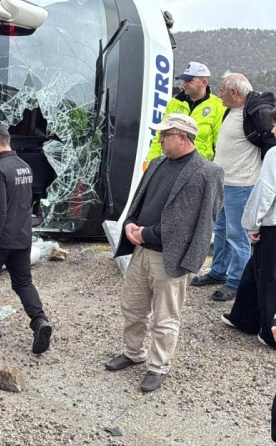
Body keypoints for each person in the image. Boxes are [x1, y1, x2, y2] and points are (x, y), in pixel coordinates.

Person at [106, 114, 223, 392]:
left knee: (165, 317)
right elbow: (140, 198)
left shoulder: (208, 172)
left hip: (170, 257)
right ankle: (134, 354)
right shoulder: (158, 163)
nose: (159, 140)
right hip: (141, 251)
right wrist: (131, 223)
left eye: (165, 135)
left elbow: (204, 220)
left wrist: (147, 233)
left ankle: (158, 367)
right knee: (132, 308)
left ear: (182, 137)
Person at [0, 124, 52, 354]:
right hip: (22, 238)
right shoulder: (25, 167)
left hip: (0, 239)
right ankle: (39, 321)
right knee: (23, 282)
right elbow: (26, 204)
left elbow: (0, 210)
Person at [191, 74, 270, 301]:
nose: (219, 95)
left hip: (241, 185)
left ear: (234, 93)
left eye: (223, 91)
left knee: (238, 236)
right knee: (222, 231)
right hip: (225, 183)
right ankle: (218, 272)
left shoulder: (254, 115)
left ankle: (236, 282)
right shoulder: (232, 112)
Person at [222, 107, 276, 348]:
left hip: (273, 225)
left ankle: (268, 332)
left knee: (269, 278)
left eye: (275, 124)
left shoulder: (275, 154)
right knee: (254, 270)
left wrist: (253, 224)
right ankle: (243, 317)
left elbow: (265, 191)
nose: (272, 130)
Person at [146, 62, 225, 162]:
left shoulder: (218, 106)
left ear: (203, 83)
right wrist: (151, 163)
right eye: (184, 80)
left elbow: (221, 144)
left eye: (189, 81)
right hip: (170, 164)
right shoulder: (174, 103)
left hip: (199, 168)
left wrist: (212, 173)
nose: (184, 84)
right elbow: (159, 135)